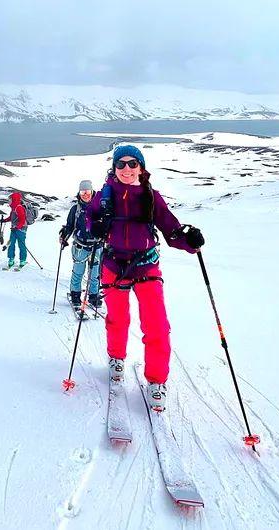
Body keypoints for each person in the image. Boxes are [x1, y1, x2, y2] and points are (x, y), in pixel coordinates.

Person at [87, 145, 204, 412]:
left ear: (141, 167)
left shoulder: (152, 197)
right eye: (121, 164)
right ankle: (116, 358)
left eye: (132, 164)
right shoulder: (104, 197)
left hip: (146, 266)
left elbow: (172, 232)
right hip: (114, 264)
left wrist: (190, 242)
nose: (127, 169)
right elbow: (89, 221)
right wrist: (96, 226)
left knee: (157, 326)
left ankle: (156, 381)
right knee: (118, 318)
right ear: (114, 168)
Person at [59, 180, 102, 308]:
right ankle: (75, 295)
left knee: (94, 274)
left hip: (97, 246)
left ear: (92, 191)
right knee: (78, 272)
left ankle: (93, 296)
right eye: (83, 192)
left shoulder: (100, 208)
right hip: (80, 246)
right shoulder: (75, 209)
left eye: (87, 191)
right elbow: (70, 225)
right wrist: (64, 236)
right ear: (79, 192)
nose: (85, 194)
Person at [1, 191, 28, 270]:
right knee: (10, 244)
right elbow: (11, 218)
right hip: (14, 229)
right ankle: (11, 259)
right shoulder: (13, 208)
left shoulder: (19, 207)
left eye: (10, 200)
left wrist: (18, 227)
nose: (8, 201)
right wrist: (4, 220)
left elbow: (22, 220)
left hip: (21, 229)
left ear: (14, 199)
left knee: (21, 245)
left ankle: (22, 260)